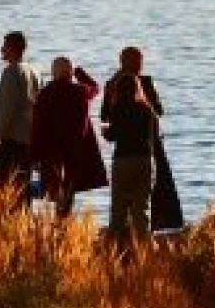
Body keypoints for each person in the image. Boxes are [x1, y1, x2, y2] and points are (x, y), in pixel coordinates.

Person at [103, 46, 184, 231]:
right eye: (137, 60)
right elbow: (158, 111)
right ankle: (145, 231)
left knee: (127, 200)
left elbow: (106, 117)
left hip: (130, 148)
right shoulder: (142, 85)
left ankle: (131, 231)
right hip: (147, 145)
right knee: (147, 194)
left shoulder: (115, 85)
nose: (140, 65)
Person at [29, 57, 108, 217]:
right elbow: (95, 88)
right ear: (70, 73)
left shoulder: (44, 95)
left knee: (54, 191)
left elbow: (37, 127)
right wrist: (79, 73)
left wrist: (34, 155)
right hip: (75, 152)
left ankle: (57, 228)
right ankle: (63, 224)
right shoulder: (80, 91)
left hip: (51, 153)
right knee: (68, 192)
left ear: (53, 72)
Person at [101, 62, 157, 240]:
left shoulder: (117, 108)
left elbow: (112, 136)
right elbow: (154, 135)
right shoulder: (146, 110)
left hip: (123, 160)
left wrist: (105, 132)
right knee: (141, 210)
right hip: (144, 159)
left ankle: (113, 249)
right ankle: (145, 249)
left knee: (118, 209)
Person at [0, 31, 40, 202]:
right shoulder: (33, 71)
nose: (1, 49)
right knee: (24, 188)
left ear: (12, 48)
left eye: (4, 46)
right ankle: (24, 224)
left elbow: (7, 110)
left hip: (11, 141)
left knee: (9, 188)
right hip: (29, 139)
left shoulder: (11, 72)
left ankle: (11, 224)